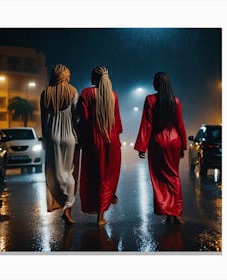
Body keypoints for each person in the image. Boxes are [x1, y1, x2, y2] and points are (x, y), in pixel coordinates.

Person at [134, 72, 187, 224]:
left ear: (157, 84)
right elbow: (180, 124)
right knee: (173, 176)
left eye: (154, 81)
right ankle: (175, 212)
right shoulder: (175, 101)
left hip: (158, 142)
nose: (152, 83)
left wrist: (142, 147)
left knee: (160, 178)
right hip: (174, 141)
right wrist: (183, 145)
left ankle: (167, 210)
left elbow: (147, 124)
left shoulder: (150, 99)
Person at [78, 66, 123, 226]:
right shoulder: (114, 96)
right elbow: (117, 123)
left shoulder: (86, 93)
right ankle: (102, 213)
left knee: (94, 176)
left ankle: (99, 209)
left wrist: (81, 139)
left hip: (93, 139)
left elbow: (83, 119)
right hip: (112, 139)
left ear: (95, 78)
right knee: (108, 176)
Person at [40, 64, 79, 224]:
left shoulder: (45, 94)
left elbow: (44, 120)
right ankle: (68, 207)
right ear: (65, 76)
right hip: (69, 137)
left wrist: (45, 139)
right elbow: (76, 117)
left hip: (52, 137)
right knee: (69, 172)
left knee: (54, 173)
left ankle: (62, 200)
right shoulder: (73, 92)